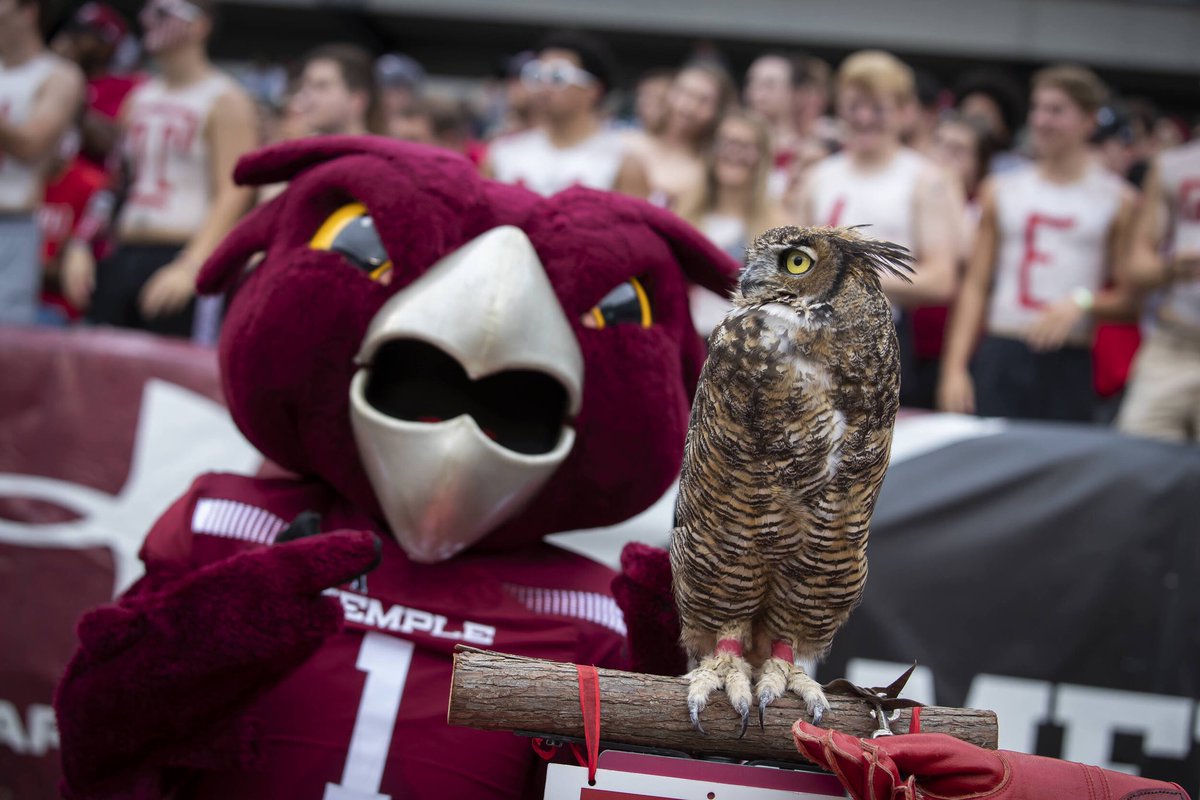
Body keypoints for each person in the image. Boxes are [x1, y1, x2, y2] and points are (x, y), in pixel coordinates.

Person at [938, 64, 1137, 423]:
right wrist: (954, 368)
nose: (1042, 120)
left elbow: (1130, 298)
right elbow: (976, 285)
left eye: (1057, 110)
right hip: (1003, 346)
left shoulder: (1117, 199)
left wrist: (1083, 302)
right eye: (1038, 108)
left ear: (1088, 121)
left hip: (1070, 357)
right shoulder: (1002, 189)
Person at [62, 0, 258, 344]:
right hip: (125, 253)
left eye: (163, 13)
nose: (147, 20)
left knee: (166, 386)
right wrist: (81, 243)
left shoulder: (225, 98)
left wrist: (192, 263)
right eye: (148, 11)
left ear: (199, 26)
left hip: (179, 251)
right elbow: (116, 181)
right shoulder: (139, 98)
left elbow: (235, 190)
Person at [792, 50, 961, 403]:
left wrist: (851, 279)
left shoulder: (924, 179)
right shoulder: (818, 176)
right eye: (855, 106)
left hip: (881, 337)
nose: (865, 118)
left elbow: (941, 278)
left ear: (904, 112)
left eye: (877, 108)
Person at [0, 0, 85, 325]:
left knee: (6, 349)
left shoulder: (58, 75)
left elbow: (31, 143)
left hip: (13, 224)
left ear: (28, 10)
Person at [1115, 135, 1200, 442]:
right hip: (1174, 343)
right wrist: (1172, 268)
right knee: (1137, 463)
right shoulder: (1174, 165)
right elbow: (1136, 266)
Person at [677, 110, 791, 336]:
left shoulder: (780, 228)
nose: (733, 153)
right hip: (685, 341)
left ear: (762, 156)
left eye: (745, 146)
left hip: (742, 350)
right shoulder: (682, 215)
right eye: (726, 143)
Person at [484, 30, 634, 197]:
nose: (543, 87)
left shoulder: (620, 162)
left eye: (557, 76)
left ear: (594, 89)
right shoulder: (503, 153)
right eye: (537, 74)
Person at [617, 59, 736, 207]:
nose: (688, 107)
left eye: (703, 100)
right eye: (684, 92)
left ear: (718, 111)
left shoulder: (709, 172)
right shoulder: (624, 141)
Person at [50, 2, 141, 170]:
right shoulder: (51, 74)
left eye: (84, 34)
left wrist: (70, 88)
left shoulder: (128, 86)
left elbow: (110, 144)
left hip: (90, 183)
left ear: (107, 46)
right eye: (73, 30)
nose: (73, 39)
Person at [294, 43, 378, 137]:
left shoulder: (385, 150)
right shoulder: (297, 150)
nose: (306, 96)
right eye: (303, 86)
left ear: (357, 100)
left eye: (321, 86)